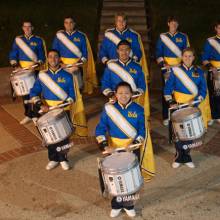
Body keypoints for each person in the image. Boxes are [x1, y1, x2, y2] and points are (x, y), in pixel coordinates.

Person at [96, 82, 146, 218]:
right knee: (115, 178)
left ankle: (129, 204)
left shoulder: (139, 109)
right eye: (120, 93)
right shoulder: (109, 109)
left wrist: (135, 143)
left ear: (131, 94)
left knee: (130, 179)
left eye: (126, 93)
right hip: (114, 149)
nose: (123, 95)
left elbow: (142, 130)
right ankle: (116, 205)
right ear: (115, 94)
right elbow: (100, 129)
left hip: (131, 148)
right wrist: (105, 145)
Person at [29, 49, 76, 171]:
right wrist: (40, 104)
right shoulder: (42, 75)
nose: (53, 59)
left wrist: (66, 102)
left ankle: (63, 158)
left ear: (60, 58)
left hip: (63, 109)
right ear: (47, 59)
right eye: (50, 57)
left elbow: (72, 95)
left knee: (63, 136)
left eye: (55, 56)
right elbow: (33, 92)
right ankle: (53, 158)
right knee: (50, 136)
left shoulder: (68, 75)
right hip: (47, 110)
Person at [52, 16, 97, 136]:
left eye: (71, 22)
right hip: (63, 68)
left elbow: (85, 54)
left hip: (77, 68)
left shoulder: (81, 36)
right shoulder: (59, 36)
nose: (68, 25)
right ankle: (65, 119)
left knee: (77, 95)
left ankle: (78, 117)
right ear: (64, 24)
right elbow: (54, 53)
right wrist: (61, 64)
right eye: (66, 23)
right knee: (64, 95)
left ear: (74, 24)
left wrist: (79, 63)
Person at [164, 48, 207, 168]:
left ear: (194, 57)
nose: (188, 58)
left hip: (192, 106)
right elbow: (167, 89)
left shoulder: (198, 71)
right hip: (178, 106)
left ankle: (187, 156)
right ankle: (178, 157)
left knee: (190, 133)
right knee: (178, 134)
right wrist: (171, 102)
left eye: (190, 56)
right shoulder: (175, 71)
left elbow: (203, 90)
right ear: (182, 57)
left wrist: (196, 101)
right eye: (185, 56)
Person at [9, 20, 47, 124]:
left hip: (34, 70)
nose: (27, 29)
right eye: (25, 27)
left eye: (29, 27)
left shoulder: (39, 40)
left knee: (35, 94)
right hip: (21, 71)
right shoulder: (18, 40)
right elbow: (13, 53)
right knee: (24, 94)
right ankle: (28, 114)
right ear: (22, 28)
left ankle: (35, 114)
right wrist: (15, 65)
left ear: (32, 28)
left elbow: (42, 57)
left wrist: (36, 65)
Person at [101, 39, 150, 119]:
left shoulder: (137, 66)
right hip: (115, 99)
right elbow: (105, 83)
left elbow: (142, 85)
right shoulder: (111, 65)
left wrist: (135, 94)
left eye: (127, 50)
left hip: (133, 100)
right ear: (117, 51)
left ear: (130, 51)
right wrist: (112, 94)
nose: (124, 52)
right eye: (121, 50)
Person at [156, 16, 190, 126]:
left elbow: (187, 52)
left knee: (180, 90)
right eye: (172, 23)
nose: (174, 25)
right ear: (168, 23)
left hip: (180, 67)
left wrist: (183, 64)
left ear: (178, 25)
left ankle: (179, 114)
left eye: (176, 23)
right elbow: (158, 53)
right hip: (167, 68)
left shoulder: (183, 37)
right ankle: (166, 116)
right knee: (167, 91)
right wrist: (163, 64)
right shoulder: (163, 37)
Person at [99, 12, 150, 82]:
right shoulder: (109, 35)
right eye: (119, 21)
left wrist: (132, 62)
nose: (121, 23)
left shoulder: (133, 35)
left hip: (129, 68)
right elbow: (102, 51)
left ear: (126, 22)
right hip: (113, 67)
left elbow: (138, 52)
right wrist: (106, 62)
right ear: (115, 22)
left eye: (123, 21)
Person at [202, 21, 220, 125]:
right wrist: (211, 67)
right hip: (215, 71)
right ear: (215, 29)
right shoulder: (210, 41)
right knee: (215, 94)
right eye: (219, 28)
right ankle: (215, 115)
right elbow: (204, 58)